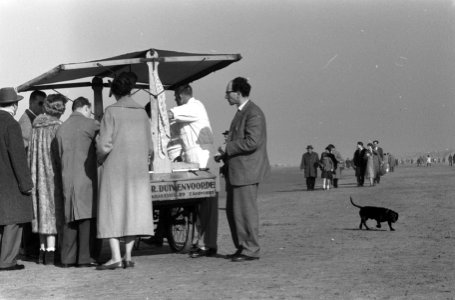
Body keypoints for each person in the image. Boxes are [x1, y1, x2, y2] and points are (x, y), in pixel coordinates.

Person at [96, 72, 154, 270]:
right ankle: (128, 256)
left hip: (114, 169)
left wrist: (99, 159)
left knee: (111, 210)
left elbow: (104, 145)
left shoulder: (111, 112)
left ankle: (115, 257)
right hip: (137, 171)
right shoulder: (141, 112)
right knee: (132, 210)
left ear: (114, 92)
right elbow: (150, 147)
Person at [219, 77, 270, 262]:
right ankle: (243, 246)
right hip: (238, 172)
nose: (226, 97)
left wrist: (228, 148)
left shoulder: (253, 113)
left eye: (228, 93)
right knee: (235, 212)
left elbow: (252, 142)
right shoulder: (243, 112)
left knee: (245, 212)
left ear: (238, 93)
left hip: (246, 172)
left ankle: (250, 249)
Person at [168, 84, 217, 258]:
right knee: (197, 208)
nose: (175, 100)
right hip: (192, 163)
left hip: (202, 164)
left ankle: (207, 244)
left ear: (181, 96)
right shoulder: (186, 113)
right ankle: (201, 242)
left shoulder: (195, 107)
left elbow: (170, 115)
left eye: (176, 97)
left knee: (205, 208)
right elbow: (176, 136)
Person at [55, 97, 100, 268]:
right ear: (86, 108)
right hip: (86, 178)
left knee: (70, 218)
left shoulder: (61, 128)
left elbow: (58, 155)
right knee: (86, 218)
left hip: (67, 178)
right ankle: (84, 258)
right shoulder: (92, 124)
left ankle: (67, 259)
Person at [29, 93, 68, 265]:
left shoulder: (35, 126)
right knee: (53, 213)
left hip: (37, 175)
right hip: (53, 175)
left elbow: (30, 155)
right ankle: (51, 254)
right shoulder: (58, 128)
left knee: (41, 212)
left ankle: (42, 251)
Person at [0, 87, 34, 271]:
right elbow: (18, 157)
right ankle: (7, 261)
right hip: (10, 181)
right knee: (14, 220)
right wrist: (26, 183)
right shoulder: (11, 124)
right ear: (14, 105)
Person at [17, 90, 46, 260]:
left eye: (44, 103)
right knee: (31, 213)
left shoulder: (32, 119)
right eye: (40, 103)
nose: (43, 107)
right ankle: (29, 248)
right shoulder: (26, 121)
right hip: (30, 174)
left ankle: (31, 247)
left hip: (32, 172)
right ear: (32, 103)